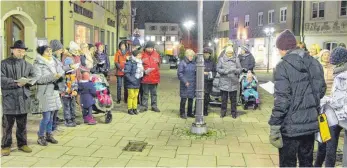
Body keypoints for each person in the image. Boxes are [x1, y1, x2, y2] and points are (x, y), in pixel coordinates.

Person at [268, 30, 326, 167]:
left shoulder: (282, 66)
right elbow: (321, 90)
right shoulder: (314, 62)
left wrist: (274, 124)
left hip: (290, 125)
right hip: (310, 123)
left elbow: (282, 100)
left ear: (282, 49)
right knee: (306, 162)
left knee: (288, 163)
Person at [1, 40, 38, 156]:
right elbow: (1, 79)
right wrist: (15, 83)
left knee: (22, 124)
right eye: (18, 51)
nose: (21, 53)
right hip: (9, 99)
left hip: (23, 98)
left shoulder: (28, 65)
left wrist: (27, 82)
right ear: (13, 50)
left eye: (23, 51)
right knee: (7, 125)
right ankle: (6, 146)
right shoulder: (4, 63)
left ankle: (22, 144)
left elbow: (34, 77)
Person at [314, 46, 347, 167]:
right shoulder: (341, 73)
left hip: (335, 115)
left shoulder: (341, 76)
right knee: (325, 140)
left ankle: (322, 165)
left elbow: (337, 102)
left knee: (328, 145)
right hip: (338, 114)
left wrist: (324, 101)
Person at [34, 45, 64, 146]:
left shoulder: (54, 61)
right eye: (47, 51)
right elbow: (38, 79)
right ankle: (40, 136)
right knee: (46, 117)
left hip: (54, 91)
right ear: (42, 52)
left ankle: (49, 134)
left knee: (52, 117)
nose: (50, 53)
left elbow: (61, 70)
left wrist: (61, 73)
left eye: (51, 51)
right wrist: (53, 76)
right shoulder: (38, 64)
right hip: (45, 92)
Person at [216, 46, 242, 118]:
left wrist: (235, 70)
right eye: (228, 53)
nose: (230, 54)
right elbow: (218, 69)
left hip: (233, 82)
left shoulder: (236, 59)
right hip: (224, 82)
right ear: (226, 52)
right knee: (224, 100)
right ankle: (223, 113)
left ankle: (234, 113)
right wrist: (224, 71)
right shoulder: (221, 59)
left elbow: (240, 69)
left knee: (233, 100)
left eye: (231, 53)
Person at [61, 42, 80, 127]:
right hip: (66, 88)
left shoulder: (72, 74)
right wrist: (67, 90)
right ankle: (68, 120)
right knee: (66, 105)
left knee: (72, 104)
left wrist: (75, 89)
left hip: (72, 86)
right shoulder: (66, 59)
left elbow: (74, 78)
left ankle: (72, 118)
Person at [140, 41, 161, 112]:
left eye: (151, 48)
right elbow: (139, 65)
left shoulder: (156, 54)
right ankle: (144, 106)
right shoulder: (142, 55)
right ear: (145, 48)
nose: (150, 49)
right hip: (145, 78)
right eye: (148, 48)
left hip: (154, 78)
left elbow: (158, 65)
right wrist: (143, 71)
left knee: (154, 93)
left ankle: (154, 106)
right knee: (145, 93)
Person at [124, 48, 144, 115]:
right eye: (139, 55)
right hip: (131, 82)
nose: (140, 56)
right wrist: (132, 80)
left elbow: (140, 72)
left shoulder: (140, 62)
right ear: (135, 55)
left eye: (140, 55)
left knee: (135, 96)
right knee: (131, 96)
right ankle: (130, 109)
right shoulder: (130, 62)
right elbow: (126, 73)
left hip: (137, 81)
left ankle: (135, 108)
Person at [177, 49, 196, 119]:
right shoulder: (182, 63)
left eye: (192, 56)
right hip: (185, 84)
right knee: (184, 99)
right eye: (190, 56)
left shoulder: (194, 63)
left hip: (192, 84)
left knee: (191, 99)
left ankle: (189, 112)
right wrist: (185, 81)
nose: (191, 57)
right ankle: (182, 113)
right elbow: (180, 74)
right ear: (187, 56)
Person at [203, 47, 216, 116]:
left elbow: (215, 71)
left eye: (207, 53)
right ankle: (197, 109)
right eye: (205, 53)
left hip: (208, 82)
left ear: (210, 54)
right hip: (201, 82)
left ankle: (205, 110)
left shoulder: (212, 62)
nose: (206, 55)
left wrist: (210, 74)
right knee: (199, 96)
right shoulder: (200, 60)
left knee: (207, 96)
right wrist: (202, 72)